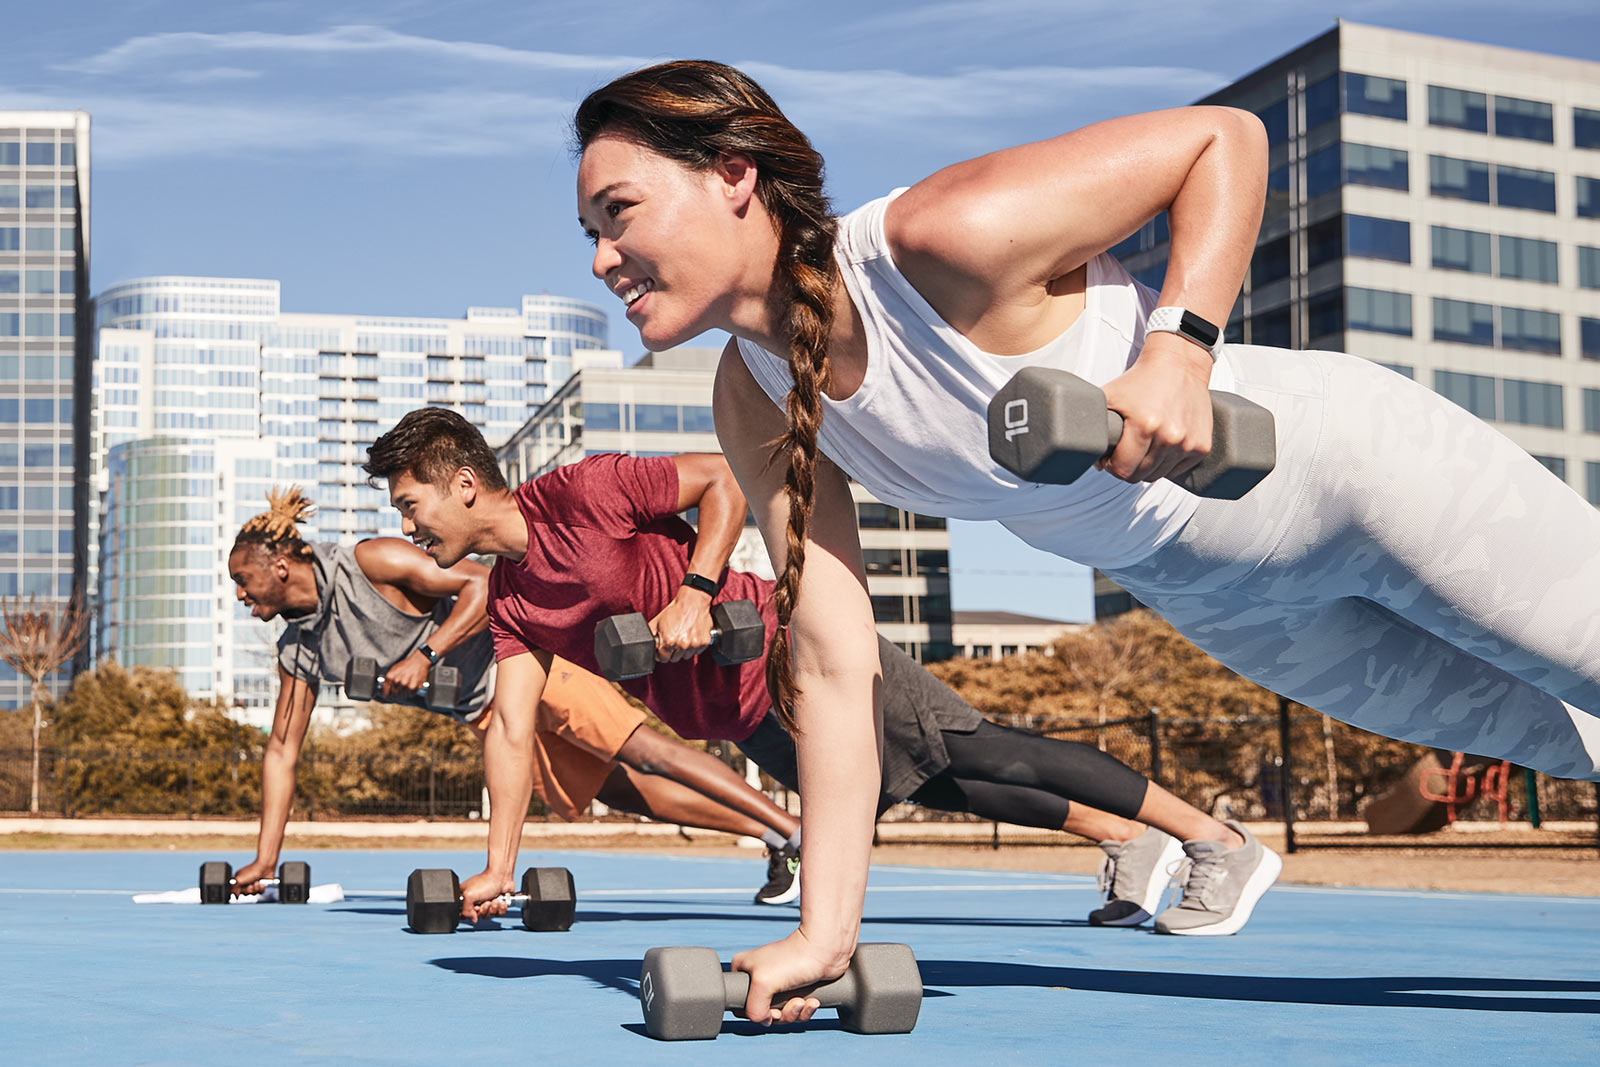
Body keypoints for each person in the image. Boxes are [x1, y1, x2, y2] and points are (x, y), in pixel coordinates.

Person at [571, 59, 1600, 1019]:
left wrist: (1179, 350)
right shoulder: (752, 398)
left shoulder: (938, 238)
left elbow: (1222, 140)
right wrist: (825, 932)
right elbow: (837, 666)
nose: (602, 256)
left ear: (735, 176)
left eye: (618, 212)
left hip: (1352, 476)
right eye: (589, 231)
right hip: (1213, 590)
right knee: (1568, 742)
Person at [360, 412, 1280, 938]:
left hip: (792, 649)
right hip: (747, 720)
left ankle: (1217, 838)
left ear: (463, 484)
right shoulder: (512, 598)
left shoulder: (580, 491)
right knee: (951, 785)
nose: (411, 529)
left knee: (976, 746)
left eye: (412, 506)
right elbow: (514, 730)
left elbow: (720, 479)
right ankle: (1127, 836)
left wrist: (695, 588)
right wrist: (500, 864)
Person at [225, 487, 806, 907]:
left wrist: (424, 655)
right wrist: (266, 860)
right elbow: (281, 752)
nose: (241, 598)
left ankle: (800, 836)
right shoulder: (299, 649)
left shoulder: (369, 562)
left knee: (643, 751)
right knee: (625, 793)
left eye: (242, 582)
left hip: (535, 666)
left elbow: (481, 583)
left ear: (278, 566)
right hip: (486, 712)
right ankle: (777, 832)